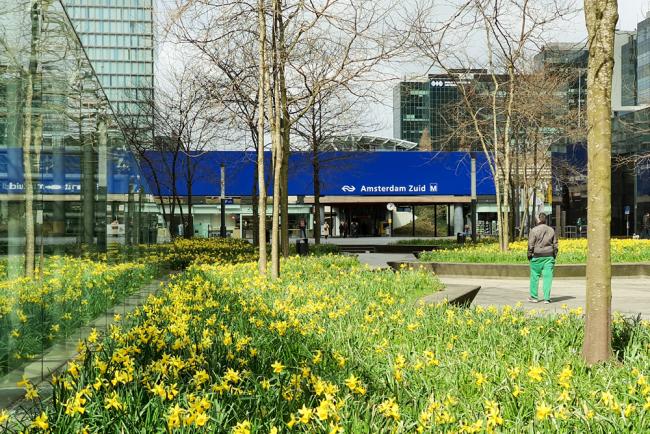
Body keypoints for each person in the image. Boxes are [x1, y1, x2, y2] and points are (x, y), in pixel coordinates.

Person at [527, 213, 558, 304]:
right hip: (549, 256)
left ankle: (534, 297)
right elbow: (555, 244)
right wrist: (554, 255)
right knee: (548, 278)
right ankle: (547, 298)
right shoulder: (551, 230)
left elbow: (530, 245)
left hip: (537, 256)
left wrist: (529, 255)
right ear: (545, 220)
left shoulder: (533, 230)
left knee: (534, 277)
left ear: (538, 220)